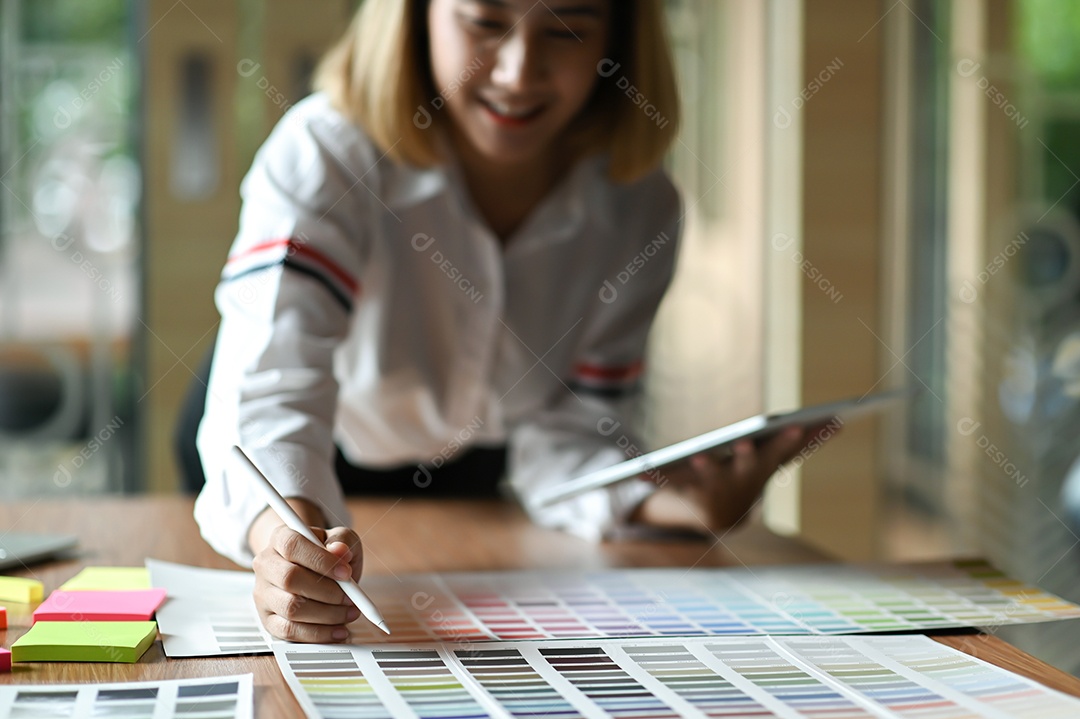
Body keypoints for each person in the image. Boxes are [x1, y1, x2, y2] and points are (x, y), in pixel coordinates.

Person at [193, 0, 812, 644]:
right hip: (277, 466)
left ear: (622, 37)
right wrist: (282, 538)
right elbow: (270, 399)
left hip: (470, 471)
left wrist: (672, 503)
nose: (520, 72)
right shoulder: (326, 153)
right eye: (485, 23)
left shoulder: (640, 208)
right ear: (411, 19)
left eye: (568, 28)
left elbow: (568, 429)